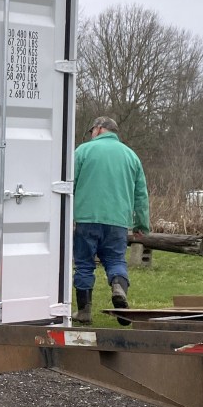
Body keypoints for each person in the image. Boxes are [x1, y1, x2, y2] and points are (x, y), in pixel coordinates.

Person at [72, 116, 149, 325]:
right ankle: (117, 287)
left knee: (84, 265)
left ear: (98, 129)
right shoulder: (131, 156)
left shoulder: (82, 151)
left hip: (86, 218)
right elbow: (141, 195)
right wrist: (142, 225)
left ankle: (84, 311)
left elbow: (70, 185)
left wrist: (65, 215)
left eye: (91, 131)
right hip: (118, 221)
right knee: (115, 261)